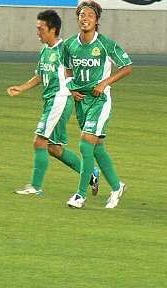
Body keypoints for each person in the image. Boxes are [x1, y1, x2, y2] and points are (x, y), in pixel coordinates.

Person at [7, 10, 99, 196]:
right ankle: (91, 173)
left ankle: (35, 186)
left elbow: (81, 69)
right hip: (51, 101)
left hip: (59, 100)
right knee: (54, 148)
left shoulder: (65, 48)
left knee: (39, 142)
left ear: (53, 29)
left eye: (41, 29)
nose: (38, 32)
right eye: (37, 29)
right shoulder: (45, 50)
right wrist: (22, 88)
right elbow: (41, 75)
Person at [62, 0, 132, 209]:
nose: (85, 19)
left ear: (97, 20)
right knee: (97, 147)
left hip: (100, 101)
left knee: (85, 143)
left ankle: (80, 195)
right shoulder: (69, 45)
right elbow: (67, 69)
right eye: (82, 15)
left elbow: (127, 66)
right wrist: (71, 87)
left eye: (90, 16)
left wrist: (104, 83)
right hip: (81, 101)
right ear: (78, 19)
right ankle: (117, 186)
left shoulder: (105, 44)